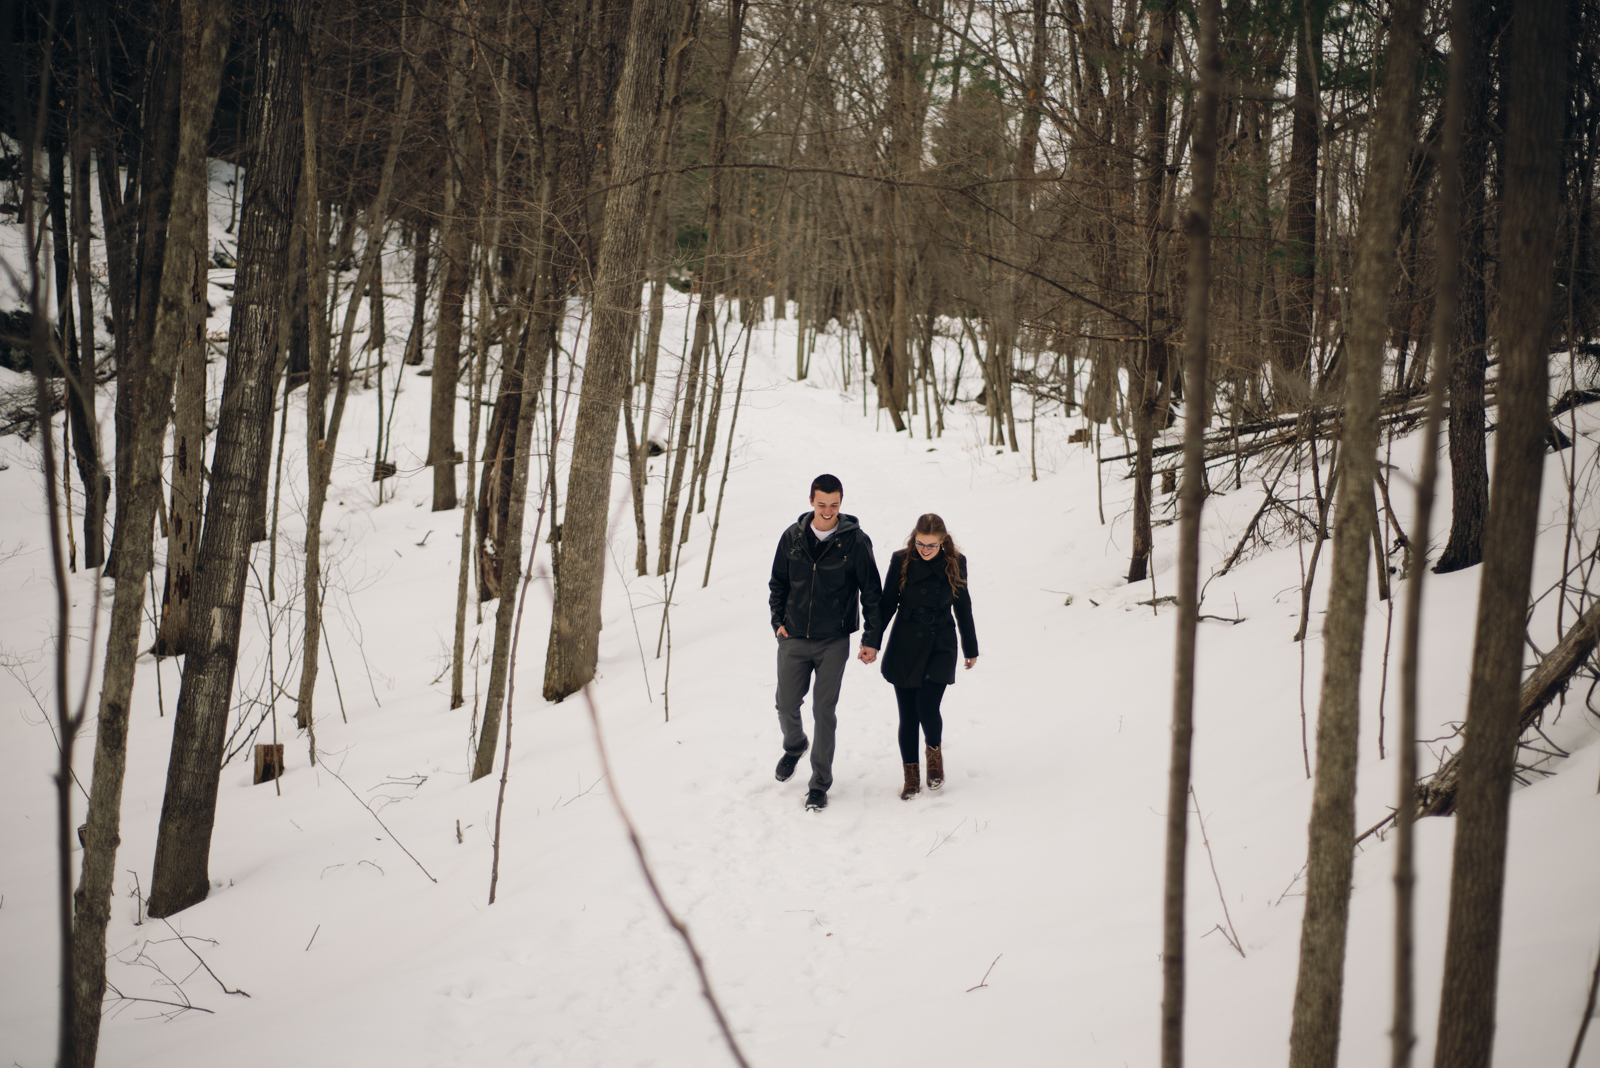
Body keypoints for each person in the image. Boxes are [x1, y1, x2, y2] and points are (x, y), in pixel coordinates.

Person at [768, 474, 884, 811]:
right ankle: (794, 746)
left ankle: (819, 785)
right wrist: (777, 623)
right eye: (822, 504)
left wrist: (871, 639)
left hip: (833, 640)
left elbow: (872, 594)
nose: (828, 511)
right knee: (786, 704)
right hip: (793, 637)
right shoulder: (791, 538)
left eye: (834, 505)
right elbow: (778, 583)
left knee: (823, 710)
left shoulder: (855, 542)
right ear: (811, 501)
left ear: (841, 503)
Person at [876, 514, 978, 800]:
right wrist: (872, 642)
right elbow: (886, 604)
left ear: (943, 541)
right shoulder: (902, 560)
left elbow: (963, 605)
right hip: (905, 644)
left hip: (940, 642)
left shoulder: (956, 562)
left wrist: (970, 648)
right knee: (907, 716)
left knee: (927, 705)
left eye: (931, 545)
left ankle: (934, 757)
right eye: (921, 544)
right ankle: (911, 777)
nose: (925, 550)